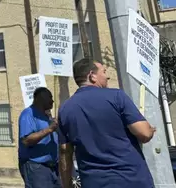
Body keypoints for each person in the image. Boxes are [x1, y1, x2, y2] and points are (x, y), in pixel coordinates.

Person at [57, 59, 156, 188]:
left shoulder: (65, 109)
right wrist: (150, 129)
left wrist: (67, 185)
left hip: (94, 182)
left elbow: (65, 151)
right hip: (131, 179)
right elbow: (144, 134)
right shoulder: (117, 96)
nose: (107, 76)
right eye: (103, 71)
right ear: (92, 76)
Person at [17, 87, 60, 188]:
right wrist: (49, 129)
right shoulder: (28, 114)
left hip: (53, 168)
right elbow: (26, 140)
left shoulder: (46, 116)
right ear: (40, 98)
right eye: (50, 97)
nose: (52, 101)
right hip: (36, 167)